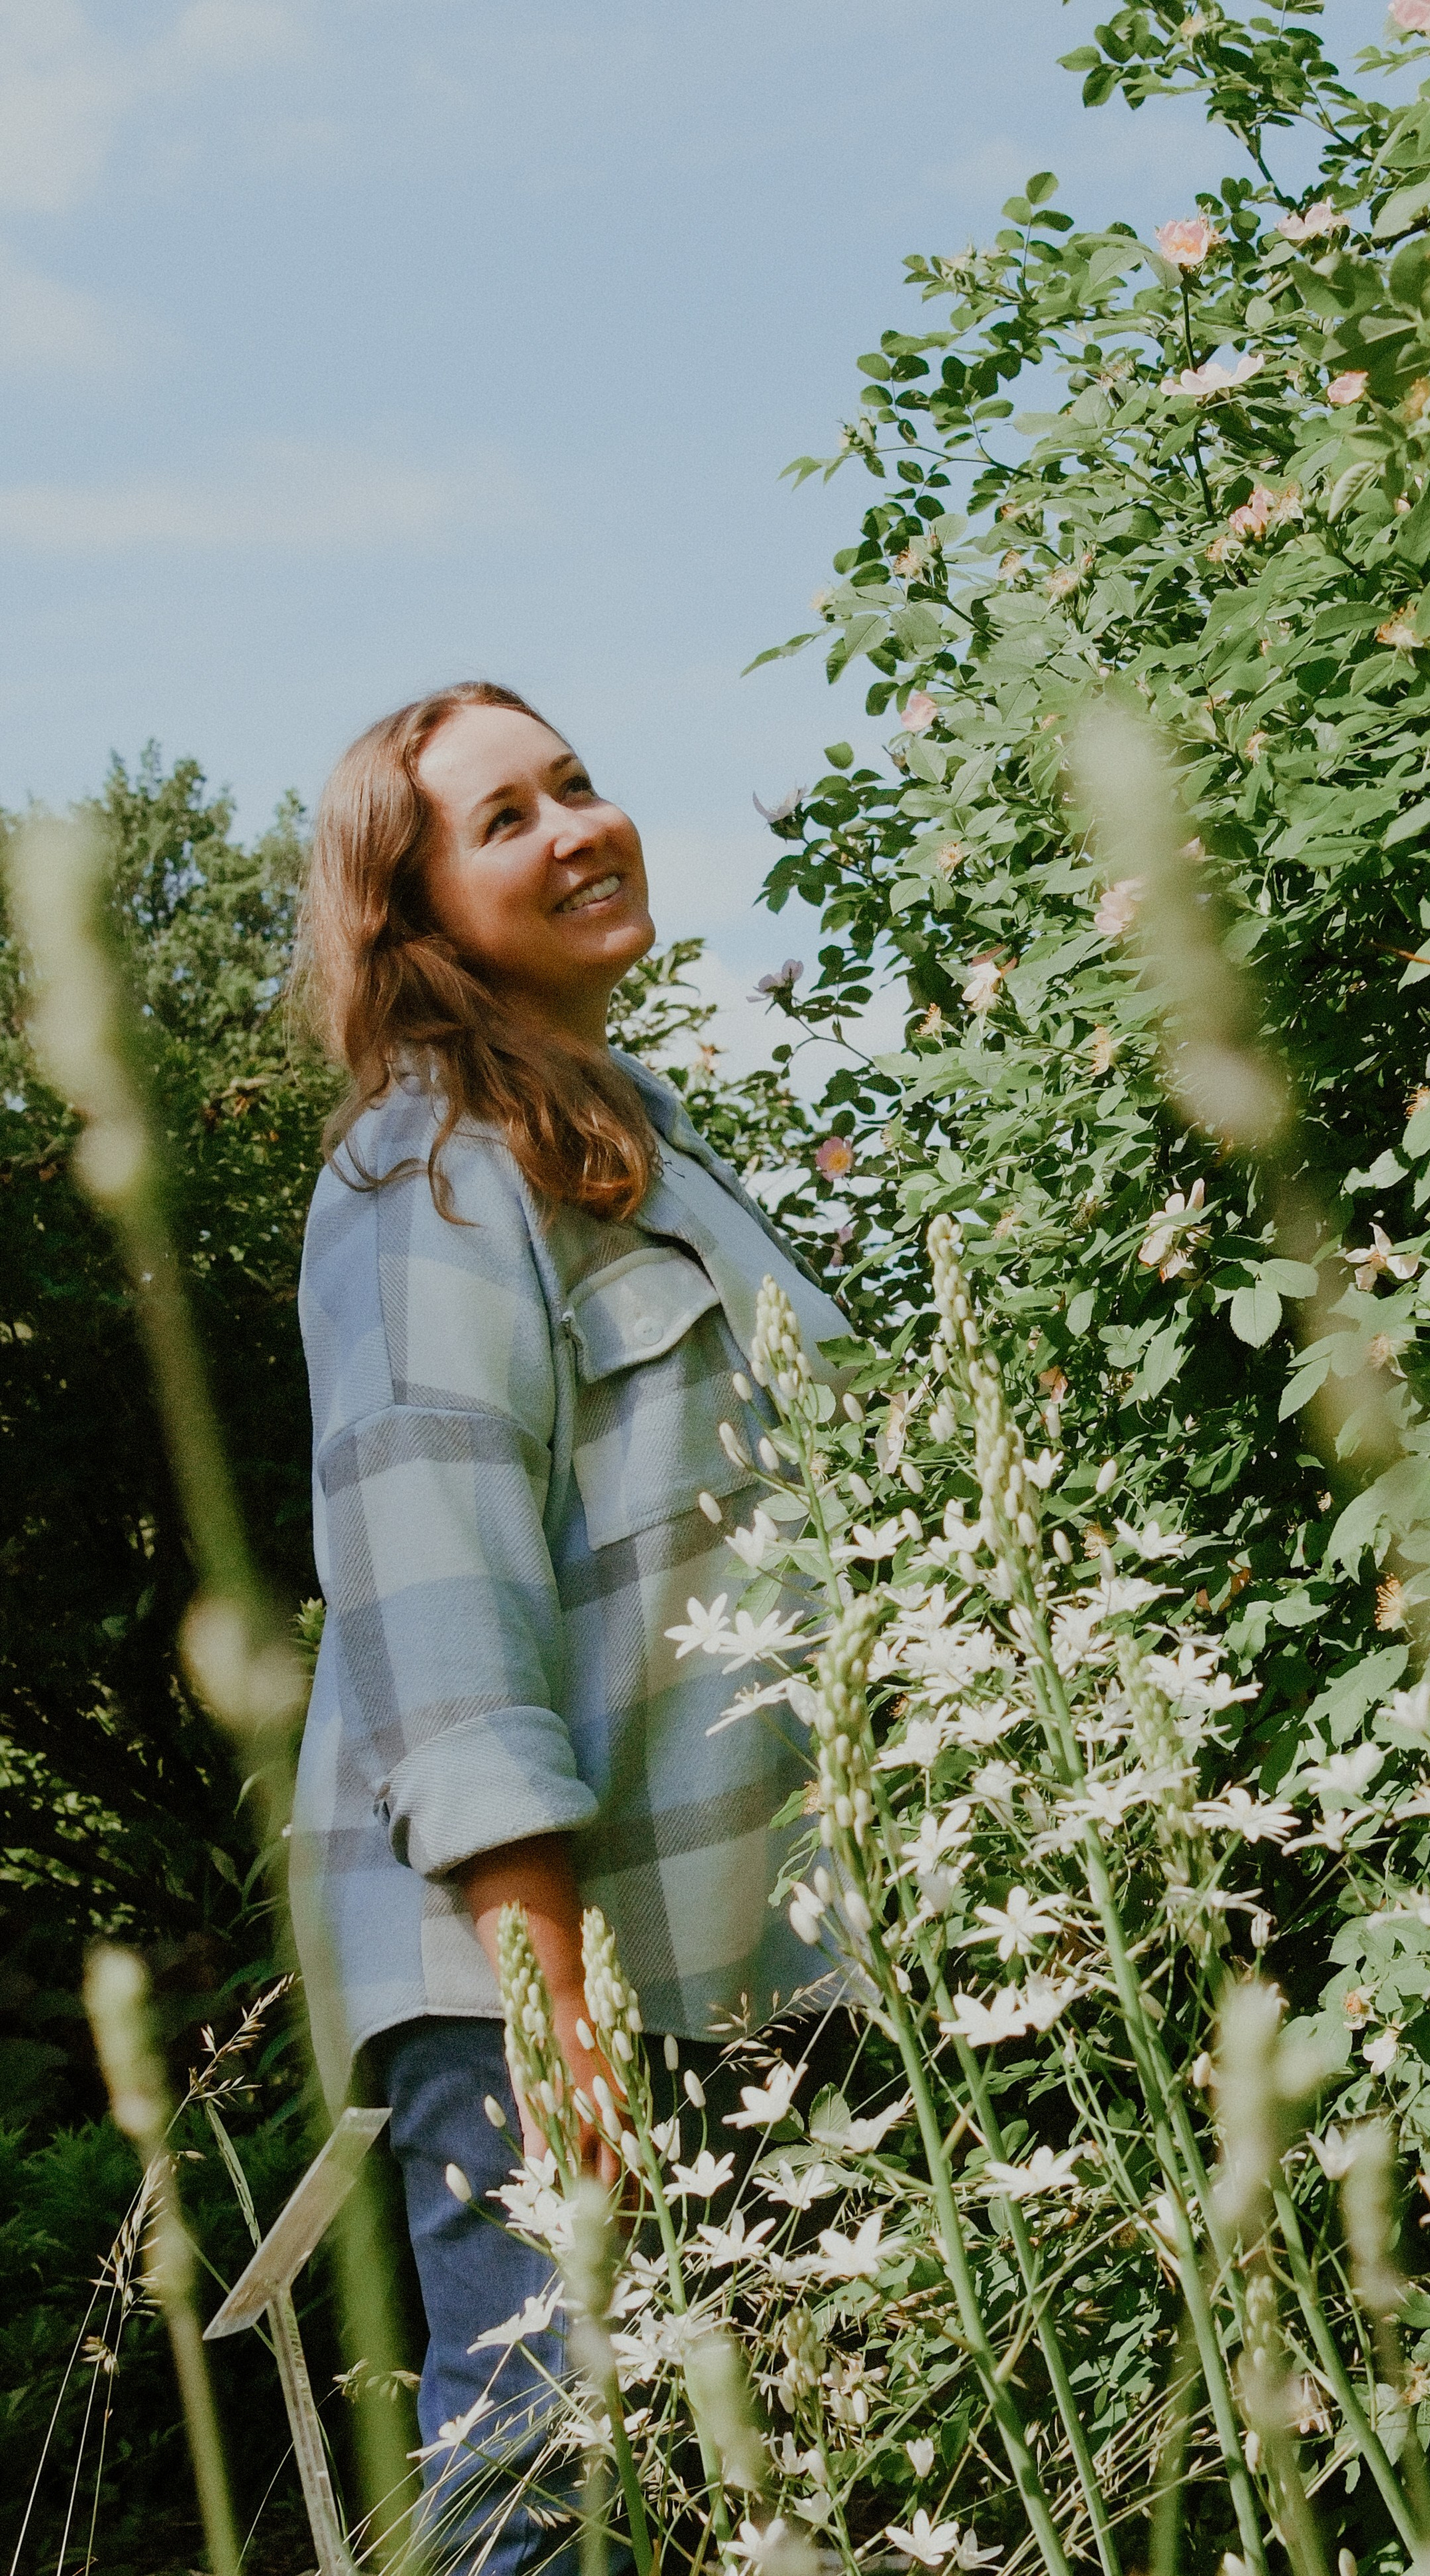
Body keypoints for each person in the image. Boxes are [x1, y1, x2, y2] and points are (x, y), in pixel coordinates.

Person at [289, 682, 853, 2572]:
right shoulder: (424, 1173)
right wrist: (556, 2015)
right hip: (551, 1974)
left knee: (784, 2495)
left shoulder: (650, 1149)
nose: (577, 829)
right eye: (506, 819)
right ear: (417, 914)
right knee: (554, 2492)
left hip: (753, 1958)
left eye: (578, 785)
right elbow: (433, 1594)